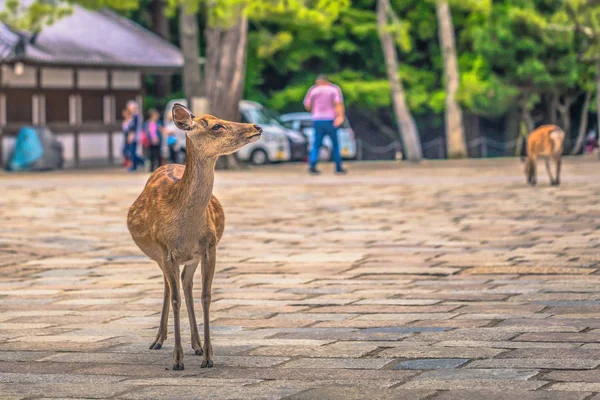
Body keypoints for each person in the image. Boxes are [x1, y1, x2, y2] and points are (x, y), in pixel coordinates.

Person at [303, 74, 347, 175]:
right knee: (335, 145)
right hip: (330, 119)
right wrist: (340, 117)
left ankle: (312, 165)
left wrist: (315, 108)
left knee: (316, 144)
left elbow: (307, 105)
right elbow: (338, 104)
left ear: (319, 81)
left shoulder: (313, 90)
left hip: (317, 119)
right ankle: (338, 167)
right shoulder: (334, 89)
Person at [123, 100, 144, 172]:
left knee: (132, 152)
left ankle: (139, 163)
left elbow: (134, 127)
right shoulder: (133, 116)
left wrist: (131, 136)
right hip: (132, 136)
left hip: (134, 137)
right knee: (131, 152)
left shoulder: (136, 116)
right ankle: (141, 162)